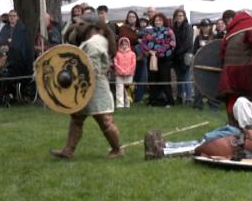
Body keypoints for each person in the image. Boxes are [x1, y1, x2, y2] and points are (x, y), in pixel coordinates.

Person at [50, 12, 124, 158]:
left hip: (95, 87)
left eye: (80, 24)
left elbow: (91, 69)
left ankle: (117, 150)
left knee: (105, 121)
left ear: (90, 26)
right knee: (77, 118)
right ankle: (68, 151)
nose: (77, 27)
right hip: (85, 86)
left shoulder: (94, 43)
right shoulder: (93, 41)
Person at [141, 13, 176, 106]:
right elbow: (143, 43)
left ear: (163, 21)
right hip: (151, 59)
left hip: (164, 60)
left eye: (160, 20)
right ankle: (153, 100)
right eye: (156, 20)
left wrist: (159, 53)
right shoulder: (149, 31)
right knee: (152, 80)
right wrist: (150, 52)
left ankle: (170, 101)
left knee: (165, 80)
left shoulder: (169, 31)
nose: (158, 22)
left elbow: (172, 44)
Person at [192, 19, 217, 110]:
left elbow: (217, 49)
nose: (205, 28)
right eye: (203, 26)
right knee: (198, 85)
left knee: (211, 85)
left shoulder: (214, 37)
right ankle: (198, 105)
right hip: (200, 63)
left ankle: (213, 105)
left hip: (212, 63)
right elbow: (194, 51)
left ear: (210, 26)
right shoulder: (198, 38)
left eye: (206, 26)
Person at [171, 8, 194, 105]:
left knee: (186, 77)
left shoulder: (188, 27)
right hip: (176, 56)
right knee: (179, 77)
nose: (179, 17)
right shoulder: (173, 28)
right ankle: (180, 97)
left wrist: (179, 51)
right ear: (175, 17)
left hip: (185, 55)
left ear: (184, 17)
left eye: (181, 15)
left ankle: (188, 98)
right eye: (177, 16)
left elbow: (188, 43)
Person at [113, 36, 136, 109]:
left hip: (129, 74)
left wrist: (128, 71)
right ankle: (120, 105)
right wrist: (121, 71)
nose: (124, 46)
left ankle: (127, 104)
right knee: (119, 89)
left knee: (128, 89)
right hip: (119, 75)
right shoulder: (117, 54)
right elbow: (115, 63)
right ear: (120, 45)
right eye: (122, 44)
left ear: (128, 45)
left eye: (126, 44)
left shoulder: (132, 54)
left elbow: (133, 64)